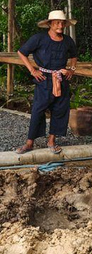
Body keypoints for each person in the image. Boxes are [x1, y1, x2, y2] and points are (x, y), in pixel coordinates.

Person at [15, 10, 78, 155]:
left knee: (60, 110)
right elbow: (21, 52)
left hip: (61, 80)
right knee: (38, 110)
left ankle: (51, 141)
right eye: (56, 23)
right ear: (49, 24)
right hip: (43, 79)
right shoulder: (39, 38)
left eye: (62, 23)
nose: (60, 25)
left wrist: (71, 70)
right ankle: (30, 143)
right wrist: (32, 70)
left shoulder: (68, 41)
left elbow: (74, 56)